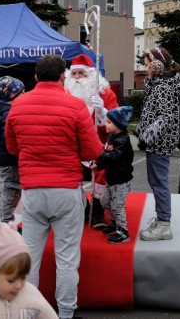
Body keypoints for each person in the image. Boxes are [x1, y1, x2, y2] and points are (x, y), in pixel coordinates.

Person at [5, 54, 103, 319]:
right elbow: (93, 149)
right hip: (66, 189)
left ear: (36, 77)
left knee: (30, 258)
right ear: (63, 77)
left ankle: (28, 313)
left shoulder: (18, 105)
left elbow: (12, 147)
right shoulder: (74, 106)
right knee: (67, 258)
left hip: (33, 191)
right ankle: (66, 313)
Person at [64, 54, 119, 229]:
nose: (78, 78)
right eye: (74, 74)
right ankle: (82, 206)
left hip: (99, 147)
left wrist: (103, 113)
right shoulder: (65, 95)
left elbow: (117, 125)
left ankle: (97, 211)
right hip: (72, 149)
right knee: (69, 176)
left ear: (91, 76)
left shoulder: (106, 94)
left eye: (82, 73)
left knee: (102, 173)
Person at [135, 47, 180, 241]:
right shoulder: (160, 84)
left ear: (156, 66)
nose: (145, 69)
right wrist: (141, 128)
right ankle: (162, 220)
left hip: (159, 142)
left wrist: (146, 136)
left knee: (158, 182)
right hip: (158, 141)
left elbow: (166, 117)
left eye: (147, 65)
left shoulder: (163, 86)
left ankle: (164, 224)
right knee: (156, 181)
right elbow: (154, 113)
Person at [90, 106, 135, 244]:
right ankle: (114, 223)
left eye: (109, 122)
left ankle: (123, 231)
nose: (105, 124)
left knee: (117, 206)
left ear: (119, 124)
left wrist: (99, 152)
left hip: (121, 181)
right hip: (112, 179)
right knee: (104, 201)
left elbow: (113, 157)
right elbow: (108, 159)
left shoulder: (122, 141)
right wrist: (99, 165)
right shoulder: (112, 138)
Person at [0, 76, 25, 224]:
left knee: (11, 189)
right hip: (10, 159)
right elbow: (10, 138)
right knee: (11, 190)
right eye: (22, 92)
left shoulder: (5, 111)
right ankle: (6, 223)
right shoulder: (8, 114)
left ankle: (7, 220)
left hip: (7, 158)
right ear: (13, 94)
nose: (25, 94)